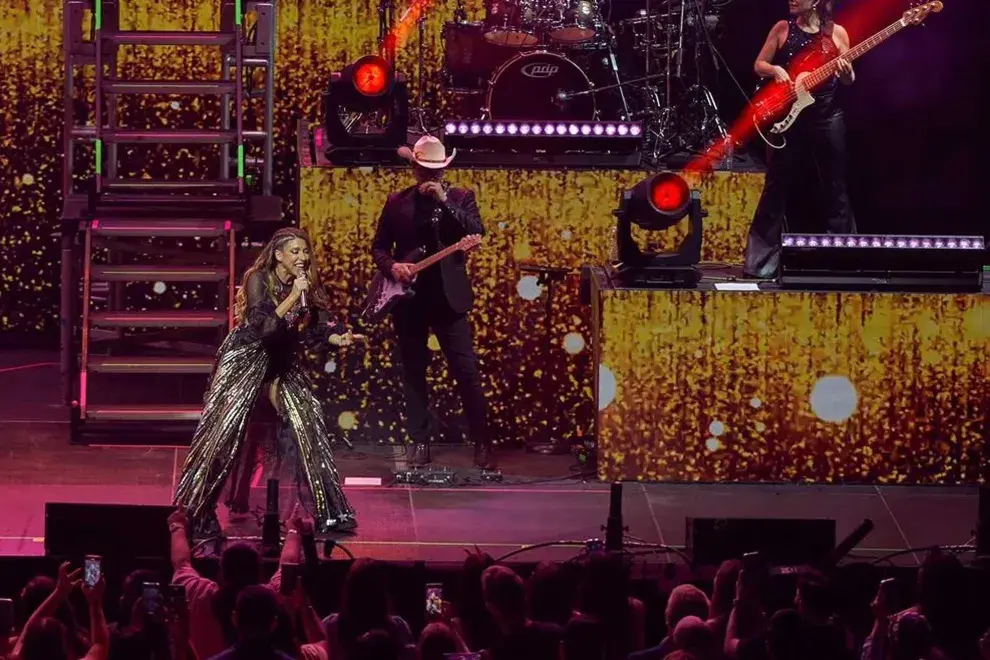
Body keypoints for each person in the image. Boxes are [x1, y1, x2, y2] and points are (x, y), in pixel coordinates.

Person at [172, 226, 359, 535]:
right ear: (278, 255)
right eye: (295, 252)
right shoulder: (258, 279)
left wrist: (336, 337)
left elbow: (315, 330)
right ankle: (195, 511)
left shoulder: (307, 284)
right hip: (246, 359)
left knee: (307, 418)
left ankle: (330, 510)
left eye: (305, 251)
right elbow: (264, 327)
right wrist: (294, 295)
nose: (302, 257)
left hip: (281, 362)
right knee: (223, 433)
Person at [370, 135, 495, 469]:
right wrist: (392, 266)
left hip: (448, 300)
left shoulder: (460, 197)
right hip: (409, 300)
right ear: (413, 167)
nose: (431, 177)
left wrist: (444, 201)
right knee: (414, 372)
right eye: (425, 170)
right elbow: (379, 247)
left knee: (466, 371)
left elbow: (476, 231)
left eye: (437, 171)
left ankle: (483, 443)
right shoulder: (397, 202)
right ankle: (419, 440)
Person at [743, 0, 857, 278]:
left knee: (834, 188)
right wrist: (775, 70)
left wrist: (846, 73)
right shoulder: (782, 29)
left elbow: (849, 79)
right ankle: (759, 263)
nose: (791, 0)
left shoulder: (837, 33)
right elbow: (759, 64)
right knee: (777, 187)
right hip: (791, 118)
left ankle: (842, 258)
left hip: (827, 117)